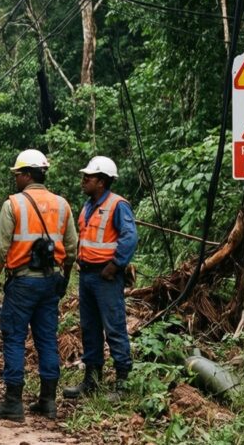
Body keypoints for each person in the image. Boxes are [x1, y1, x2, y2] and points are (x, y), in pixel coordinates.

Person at [0, 150, 77, 421]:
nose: (15, 179)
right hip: (51, 280)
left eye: (17, 174)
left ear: (26, 175)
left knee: (14, 337)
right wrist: (64, 278)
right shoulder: (62, 205)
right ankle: (48, 401)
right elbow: (72, 249)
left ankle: (13, 402)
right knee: (46, 338)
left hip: (22, 281)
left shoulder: (13, 204)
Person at [63, 156, 138, 399]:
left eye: (89, 177)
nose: (84, 180)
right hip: (87, 275)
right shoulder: (88, 205)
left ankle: (122, 383)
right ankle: (92, 380)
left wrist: (115, 265)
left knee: (114, 328)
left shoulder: (118, 205)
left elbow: (130, 237)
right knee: (90, 328)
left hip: (106, 277)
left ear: (102, 181)